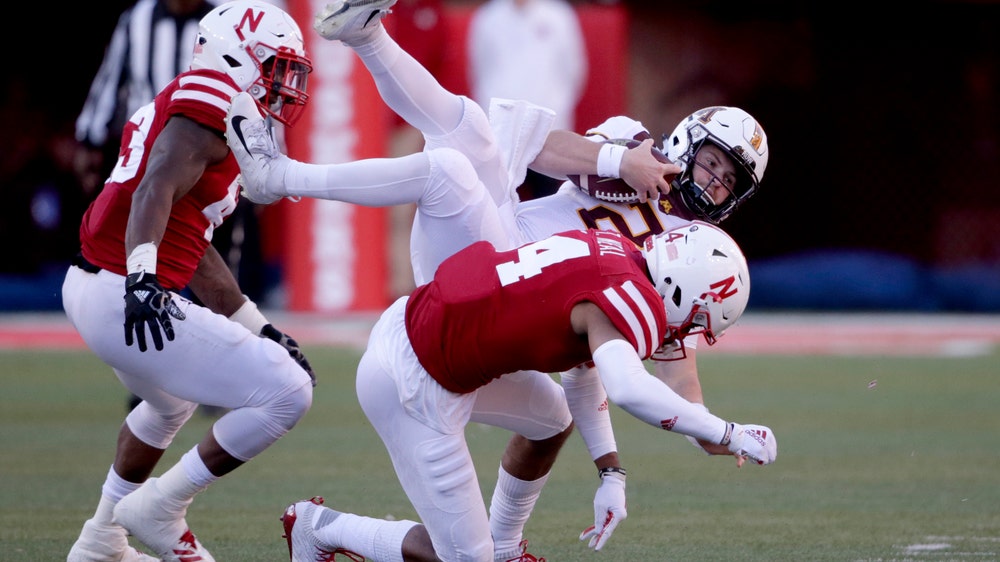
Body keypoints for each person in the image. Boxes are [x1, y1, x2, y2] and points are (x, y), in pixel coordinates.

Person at [233, 0, 767, 557]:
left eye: (729, 180)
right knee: (465, 142)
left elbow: (656, 375)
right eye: (713, 163)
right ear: (688, 141)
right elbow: (538, 146)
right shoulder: (637, 148)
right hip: (493, 248)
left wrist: (713, 432)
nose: (715, 182)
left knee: (552, 419)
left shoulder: (691, 257)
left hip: (506, 304)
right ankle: (354, 55)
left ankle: (503, 546)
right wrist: (617, 160)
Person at [274, 221, 776, 562]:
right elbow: (628, 387)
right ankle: (320, 526)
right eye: (697, 320)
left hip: (422, 329)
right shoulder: (633, 296)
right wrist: (727, 432)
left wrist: (611, 472)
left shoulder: (617, 251)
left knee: (553, 419)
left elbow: (582, 373)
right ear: (685, 290)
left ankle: (508, 548)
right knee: (467, 559)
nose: (687, 332)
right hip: (412, 380)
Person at [63, 2, 314, 561]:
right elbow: (154, 186)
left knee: (169, 403)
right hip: (118, 286)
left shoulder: (201, 101)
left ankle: (101, 539)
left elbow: (191, 241)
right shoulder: (213, 94)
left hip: (94, 284)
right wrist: (142, 280)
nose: (284, 83)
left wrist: (258, 326)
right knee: (288, 392)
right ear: (237, 56)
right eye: (275, 65)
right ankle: (161, 507)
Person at [467, 0, 587, 199]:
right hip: (501, 130)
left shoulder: (559, 16)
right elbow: (479, 70)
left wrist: (557, 107)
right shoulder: (488, 18)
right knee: (499, 200)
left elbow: (573, 69)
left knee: (547, 198)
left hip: (548, 128)